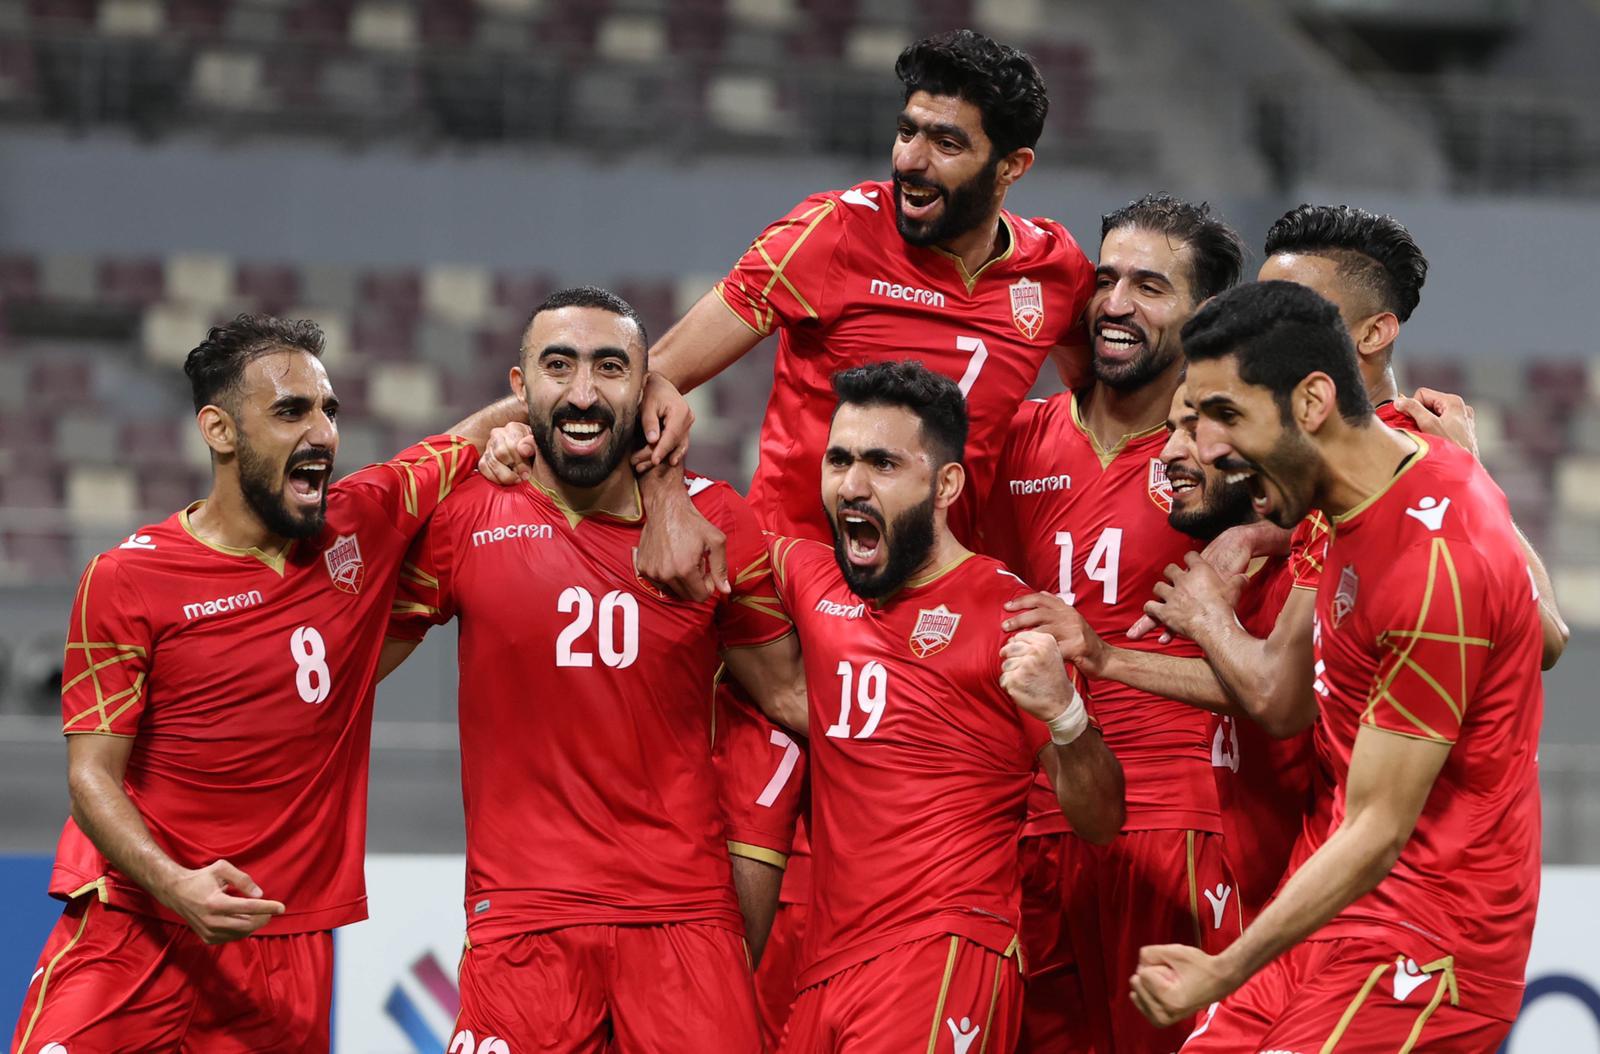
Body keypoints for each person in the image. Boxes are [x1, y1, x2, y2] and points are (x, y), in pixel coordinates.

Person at [482, 30, 1097, 1044]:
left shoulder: (1055, 273)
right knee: (736, 963)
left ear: (1012, 166)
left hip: (934, 642)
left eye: (946, 142)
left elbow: (1098, 409)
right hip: (784, 627)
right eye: (906, 131)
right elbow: (652, 379)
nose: (910, 160)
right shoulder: (828, 234)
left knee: (932, 926)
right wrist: (630, 482)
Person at [11, 314, 520, 1054]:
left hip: (284, 950)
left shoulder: (361, 521)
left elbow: (472, 436)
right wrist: (176, 884)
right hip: (135, 928)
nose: (323, 433)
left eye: (328, 410)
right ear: (219, 430)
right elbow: (91, 778)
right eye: (291, 411)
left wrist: (538, 422)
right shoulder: (127, 578)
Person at [382, 288, 806, 1052]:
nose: (583, 393)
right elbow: (349, 666)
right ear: (520, 388)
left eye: (610, 368)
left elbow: (787, 696)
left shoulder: (717, 522)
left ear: (646, 389)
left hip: (683, 918)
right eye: (559, 366)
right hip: (522, 923)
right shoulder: (465, 516)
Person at [1130, 281, 1544, 1053]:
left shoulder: (1435, 569)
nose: (1209, 449)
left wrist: (1222, 970)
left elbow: (1378, 829)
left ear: (1314, 401)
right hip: (1332, 911)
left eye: (1226, 416)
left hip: (1426, 942)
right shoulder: (1358, 491)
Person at [767, 360, 1123, 1052]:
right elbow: (707, 542)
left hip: (942, 952)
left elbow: (1102, 819)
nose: (852, 485)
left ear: (946, 485)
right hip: (825, 968)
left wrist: (1066, 715)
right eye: (839, 460)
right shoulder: (812, 580)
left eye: (883, 463)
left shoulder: (1008, 613)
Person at [977, 193, 1246, 1053]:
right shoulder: (1011, 440)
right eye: (1106, 280)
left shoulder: (1229, 466)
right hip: (1030, 827)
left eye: (1150, 286)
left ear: (1206, 316)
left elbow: (1277, 678)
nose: (1116, 304)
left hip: (1177, 826)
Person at [1004, 383, 1313, 924]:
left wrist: (1192, 624)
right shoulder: (1249, 559)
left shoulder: (1314, 570)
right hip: (1225, 856)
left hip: (1313, 887)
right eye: (1171, 430)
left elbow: (1277, 695)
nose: (1167, 451)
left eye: (1193, 429)